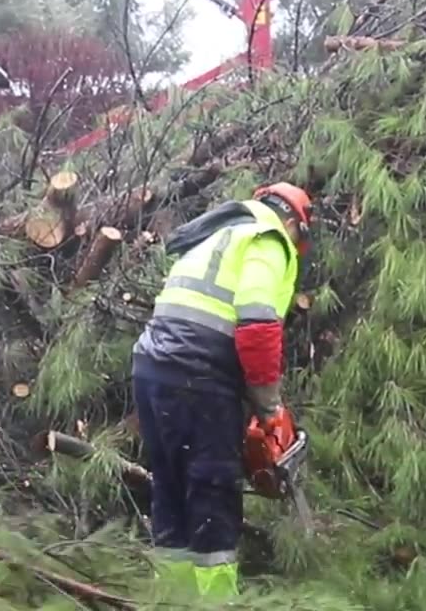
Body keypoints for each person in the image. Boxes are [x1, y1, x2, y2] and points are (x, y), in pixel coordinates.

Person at [130, 182, 313, 600]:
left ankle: (173, 600)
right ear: (293, 223)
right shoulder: (268, 240)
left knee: (171, 488)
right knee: (212, 491)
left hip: (152, 369)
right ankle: (216, 602)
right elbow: (258, 325)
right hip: (198, 374)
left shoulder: (217, 233)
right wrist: (269, 408)